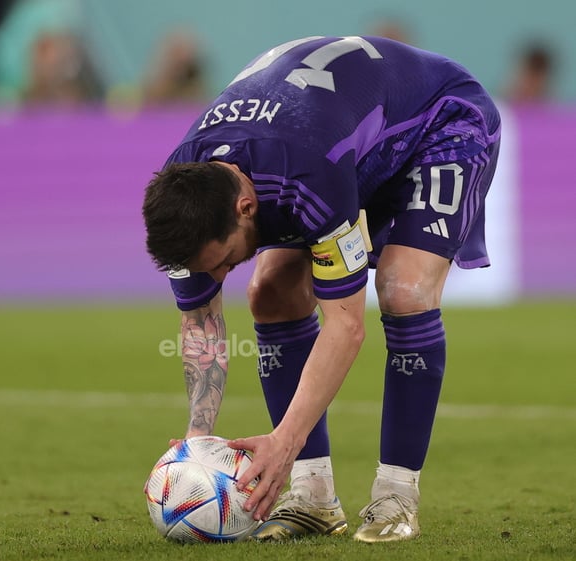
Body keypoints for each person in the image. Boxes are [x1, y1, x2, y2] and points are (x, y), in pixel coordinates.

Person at [142, 35, 500, 543]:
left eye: (222, 261)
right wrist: (198, 440)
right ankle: (313, 499)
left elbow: (346, 325)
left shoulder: (306, 176)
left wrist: (284, 441)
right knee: (268, 293)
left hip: (438, 123)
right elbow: (200, 319)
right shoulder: (188, 187)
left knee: (403, 288)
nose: (218, 275)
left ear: (246, 208)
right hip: (342, 140)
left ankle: (396, 495)